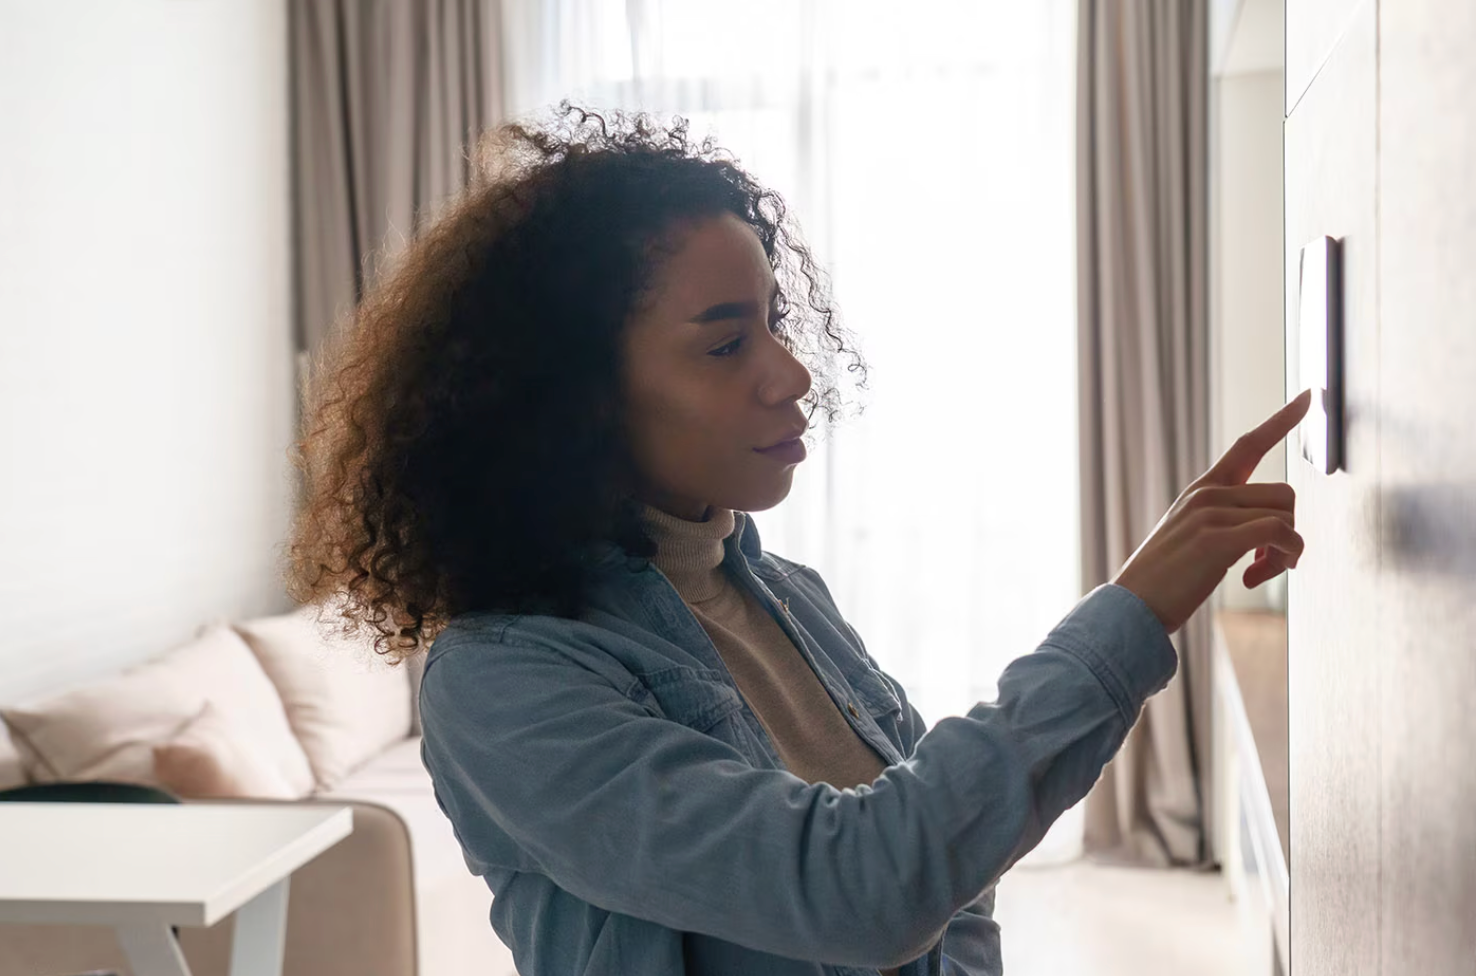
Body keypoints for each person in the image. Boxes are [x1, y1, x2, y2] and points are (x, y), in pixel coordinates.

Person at [285, 102, 1310, 976]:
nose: (792, 373)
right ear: (573, 398)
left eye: (775, 322)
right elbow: (859, 885)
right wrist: (1128, 616)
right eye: (728, 342)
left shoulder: (790, 597)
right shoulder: (503, 678)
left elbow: (954, 870)